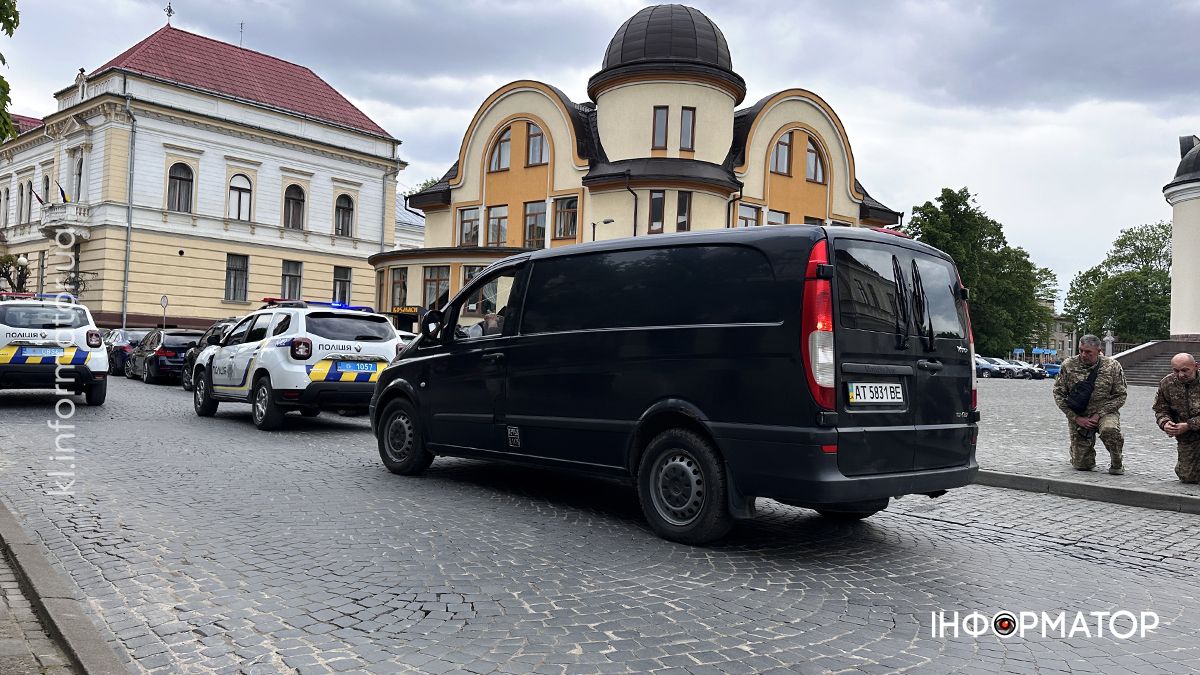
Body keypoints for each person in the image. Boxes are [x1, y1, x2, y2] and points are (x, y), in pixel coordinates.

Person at [1052, 334, 1128, 474]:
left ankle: (1117, 461)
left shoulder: (1112, 366)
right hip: (1079, 414)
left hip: (1105, 412)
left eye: (1088, 352)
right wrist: (1075, 418)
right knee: (1082, 466)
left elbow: (1121, 395)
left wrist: (1099, 414)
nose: (1083, 355)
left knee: (1109, 430)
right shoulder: (1069, 365)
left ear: (1099, 351)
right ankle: (1077, 452)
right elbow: (1058, 394)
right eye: (1081, 350)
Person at [1152, 353, 1200, 484]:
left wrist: (1189, 425)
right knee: (1188, 477)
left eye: (1185, 370)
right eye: (1176, 370)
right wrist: (1165, 423)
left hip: (1191, 428)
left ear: (1196, 366)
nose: (1180, 375)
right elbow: (1160, 409)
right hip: (1188, 438)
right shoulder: (1167, 383)